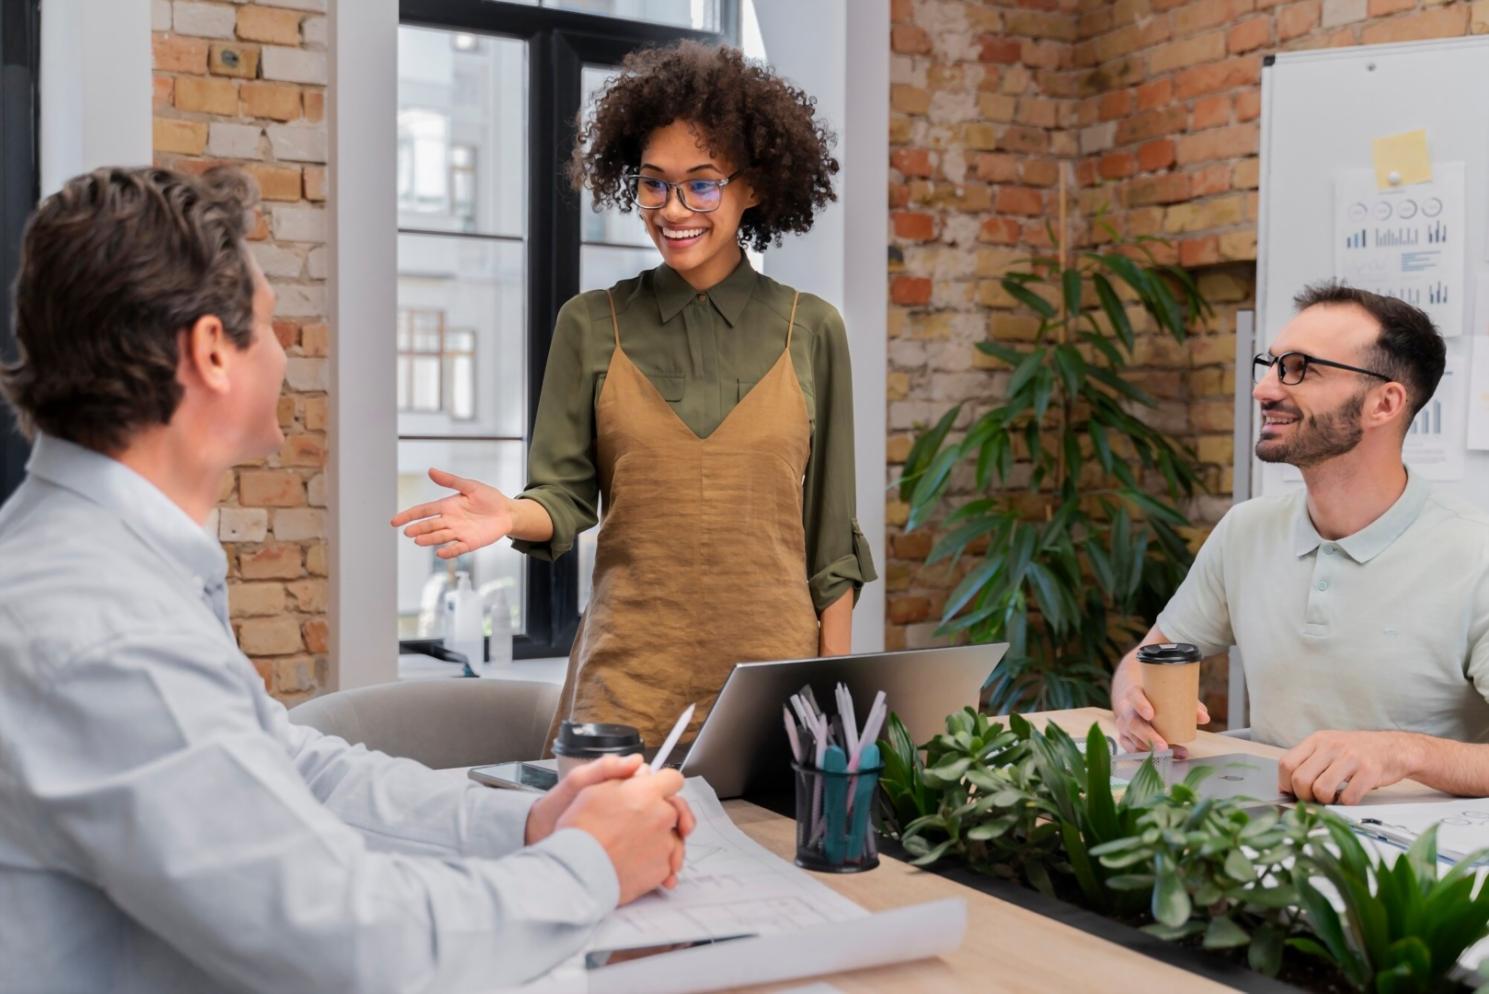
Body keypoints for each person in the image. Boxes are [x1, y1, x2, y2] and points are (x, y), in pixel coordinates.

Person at [0, 165, 694, 994]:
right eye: (269, 325)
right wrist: (590, 865)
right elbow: (352, 944)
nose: (287, 352)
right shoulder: (102, 627)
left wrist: (532, 821)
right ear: (212, 351)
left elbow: (289, 767)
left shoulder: (109, 567)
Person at [392, 42, 876, 750]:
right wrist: (507, 514)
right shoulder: (590, 324)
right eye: (653, 184)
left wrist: (837, 708)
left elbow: (831, 544)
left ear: (756, 187)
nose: (672, 209)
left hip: (775, 692)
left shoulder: (814, 331)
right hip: (626, 686)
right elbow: (563, 497)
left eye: (701, 184)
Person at [1110, 282, 1489, 805]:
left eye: (1300, 369)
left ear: (1384, 402)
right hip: (1260, 830)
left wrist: (1403, 752)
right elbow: (1150, 654)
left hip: (1412, 865)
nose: (1265, 389)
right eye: (1271, 365)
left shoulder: (1477, 553)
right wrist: (1130, 696)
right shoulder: (1247, 528)